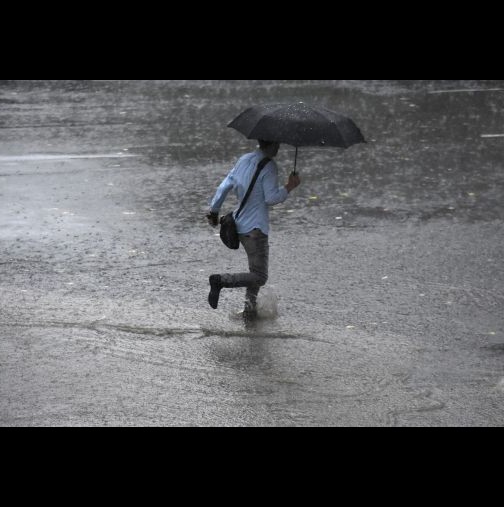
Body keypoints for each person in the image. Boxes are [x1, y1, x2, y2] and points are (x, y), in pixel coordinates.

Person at [206, 139, 301, 320]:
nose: (279, 146)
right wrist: (290, 186)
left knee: (253, 272)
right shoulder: (270, 166)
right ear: (272, 144)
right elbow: (271, 198)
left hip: (240, 225)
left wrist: (214, 211)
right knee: (260, 276)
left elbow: (224, 186)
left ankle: (250, 310)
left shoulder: (244, 159)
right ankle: (220, 280)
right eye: (277, 143)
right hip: (256, 229)